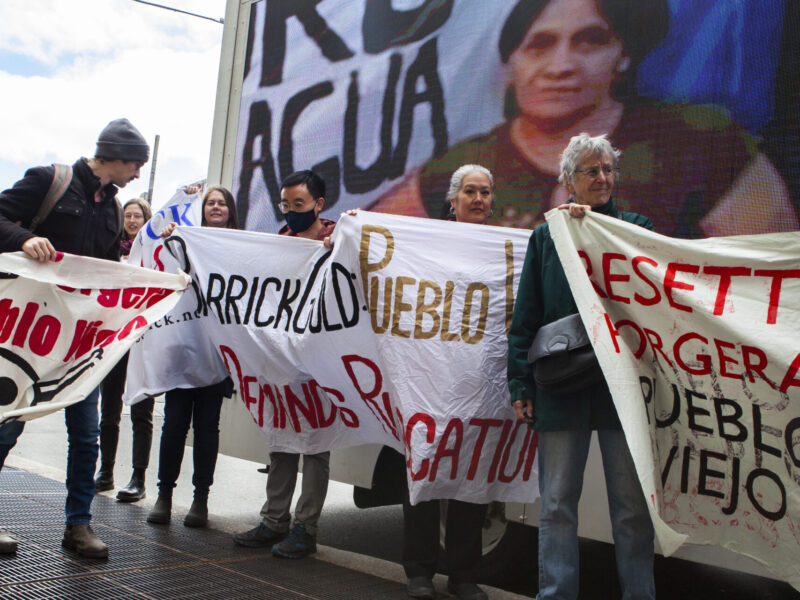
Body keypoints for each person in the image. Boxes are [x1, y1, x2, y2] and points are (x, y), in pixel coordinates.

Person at [372, 0, 798, 238]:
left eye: (590, 41)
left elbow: (768, 282)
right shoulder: (466, 165)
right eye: (539, 45)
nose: (561, 66)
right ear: (509, 66)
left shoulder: (700, 142)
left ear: (624, 55)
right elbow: (373, 244)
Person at [507, 133, 655, 599]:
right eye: (591, 170)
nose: (603, 178)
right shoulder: (548, 235)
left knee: (632, 509)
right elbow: (526, 315)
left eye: (608, 169)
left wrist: (597, 230)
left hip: (622, 390)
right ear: (569, 180)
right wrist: (520, 385)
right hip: (559, 386)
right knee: (555, 505)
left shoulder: (635, 228)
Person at [0, 118, 149, 558]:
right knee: (7, 428)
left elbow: (104, 270)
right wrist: (24, 239)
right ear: (116, 157)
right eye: (137, 164)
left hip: (77, 342)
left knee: (86, 436)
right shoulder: (49, 180)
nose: (138, 174)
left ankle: (78, 526)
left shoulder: (112, 207)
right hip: (30, 337)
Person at [232, 170, 333, 559]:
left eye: (299, 205)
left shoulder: (338, 238)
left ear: (319, 205)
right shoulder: (280, 243)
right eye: (285, 205)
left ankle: (305, 528)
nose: (290, 212)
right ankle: (274, 522)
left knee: (318, 446)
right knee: (282, 439)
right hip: (283, 358)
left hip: (323, 359)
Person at [402, 165, 491, 600]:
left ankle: (463, 575)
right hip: (429, 379)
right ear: (452, 201)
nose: (479, 199)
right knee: (422, 471)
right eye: (470, 191)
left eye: (486, 192)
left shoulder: (504, 249)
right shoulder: (426, 244)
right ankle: (418, 571)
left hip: (479, 384)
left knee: (470, 477)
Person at [146, 186, 237, 528]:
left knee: (207, 429)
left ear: (231, 211)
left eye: (222, 203)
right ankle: (164, 495)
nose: (215, 207)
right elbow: (162, 260)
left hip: (216, 355)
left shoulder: (239, 246)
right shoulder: (186, 240)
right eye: (210, 202)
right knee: (173, 426)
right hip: (184, 350)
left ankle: (201, 499)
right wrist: (171, 234)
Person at [94, 198, 155, 502]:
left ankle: (138, 478)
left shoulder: (155, 256)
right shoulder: (110, 252)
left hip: (143, 344)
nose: (132, 220)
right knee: (109, 411)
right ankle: (105, 472)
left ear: (147, 220)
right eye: (128, 215)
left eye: (138, 215)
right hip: (114, 343)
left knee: (141, 412)